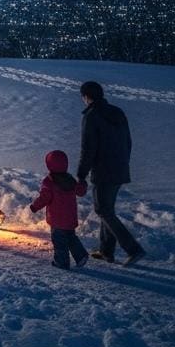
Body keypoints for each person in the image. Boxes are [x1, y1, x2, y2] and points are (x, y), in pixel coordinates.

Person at [76, 80, 146, 266]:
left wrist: (81, 173)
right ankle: (106, 251)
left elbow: (88, 148)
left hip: (103, 170)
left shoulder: (91, 116)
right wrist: (123, 162)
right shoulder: (117, 112)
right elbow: (128, 141)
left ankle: (133, 249)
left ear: (86, 96)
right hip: (120, 167)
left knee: (102, 210)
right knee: (107, 209)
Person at [30, 150, 89, 270]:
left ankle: (61, 262)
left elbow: (44, 198)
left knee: (59, 243)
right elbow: (80, 192)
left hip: (57, 220)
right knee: (71, 238)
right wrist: (83, 184)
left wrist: (34, 206)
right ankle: (81, 255)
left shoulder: (49, 181)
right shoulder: (70, 179)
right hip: (70, 218)